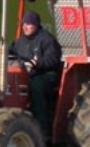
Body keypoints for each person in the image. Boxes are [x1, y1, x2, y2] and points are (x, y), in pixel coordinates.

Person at [9, 9, 62, 137]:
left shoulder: (46, 39)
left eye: (28, 23)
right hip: (27, 74)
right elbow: (10, 52)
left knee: (36, 86)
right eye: (23, 24)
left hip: (46, 75)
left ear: (36, 24)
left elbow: (53, 59)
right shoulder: (19, 42)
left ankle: (42, 127)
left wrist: (38, 63)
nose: (25, 26)